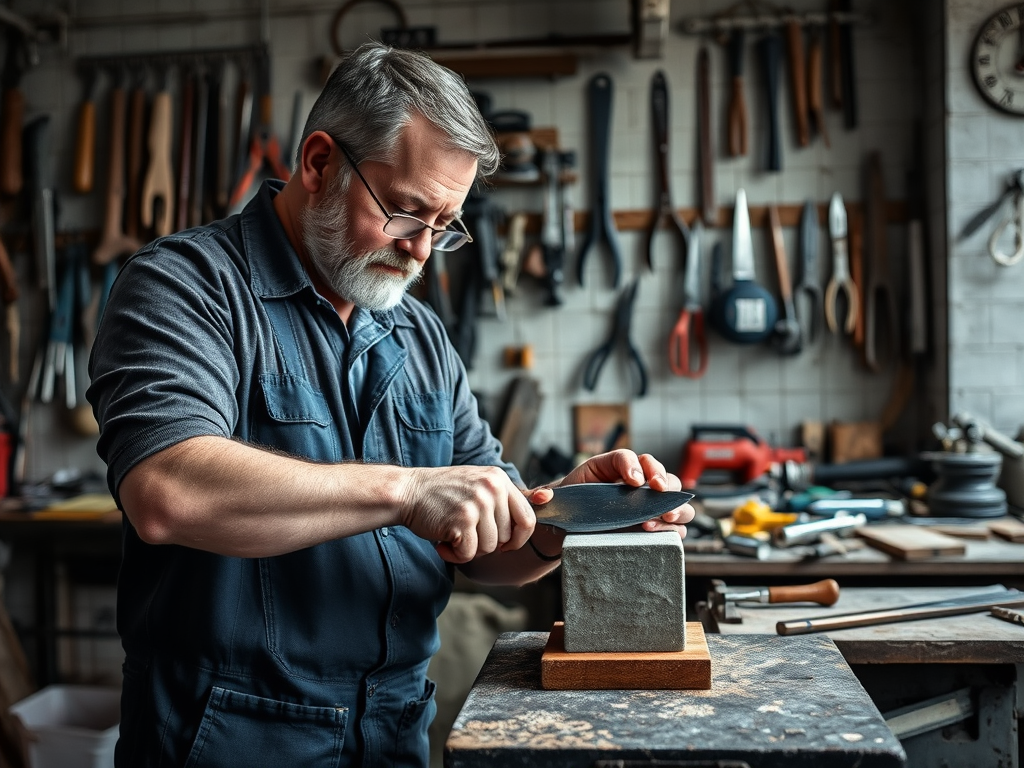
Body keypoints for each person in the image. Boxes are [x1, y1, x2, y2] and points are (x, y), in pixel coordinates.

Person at [87, 42, 695, 768]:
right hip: (230, 738)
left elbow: (485, 546)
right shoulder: (186, 288)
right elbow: (167, 491)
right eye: (407, 214)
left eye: (446, 226)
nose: (422, 253)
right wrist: (408, 490)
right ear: (319, 163)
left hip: (393, 733)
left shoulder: (417, 332)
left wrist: (565, 514)